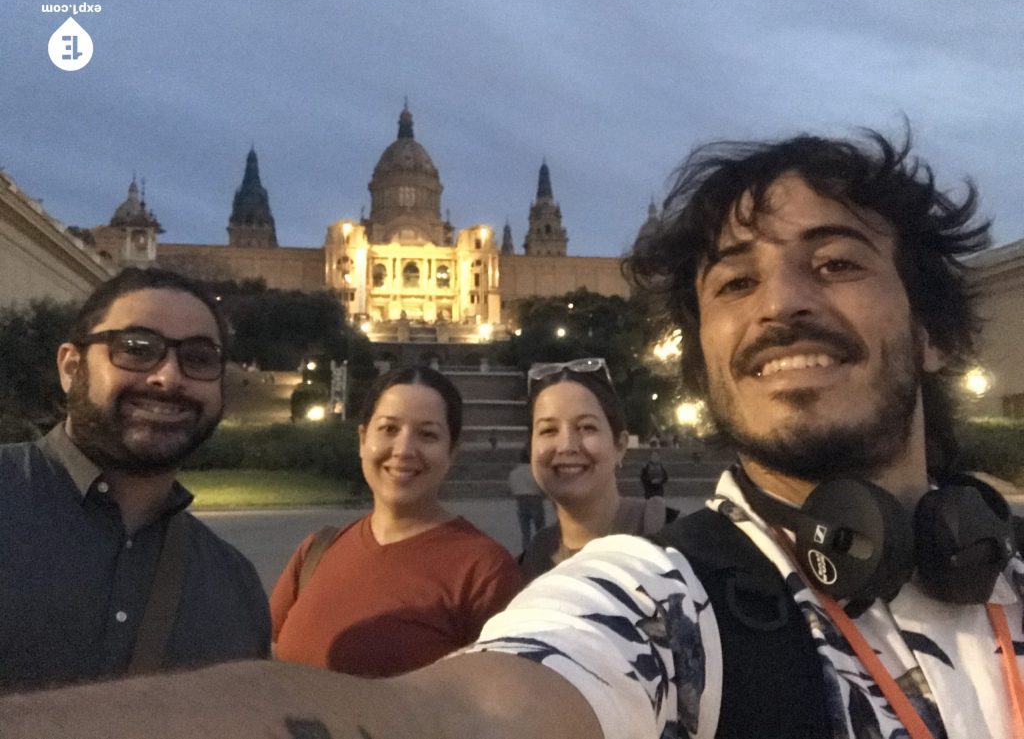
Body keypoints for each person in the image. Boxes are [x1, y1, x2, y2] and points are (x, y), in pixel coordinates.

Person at [2, 130, 1017, 739]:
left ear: (935, 329)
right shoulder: (650, 605)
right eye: (736, 280)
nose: (782, 303)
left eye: (835, 262)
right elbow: (473, 712)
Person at [0, 267, 269, 692]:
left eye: (199, 358)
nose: (169, 377)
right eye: (137, 349)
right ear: (71, 367)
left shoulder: (235, 586)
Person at [269, 366, 524, 677]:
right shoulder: (316, 552)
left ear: (452, 452)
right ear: (362, 439)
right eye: (389, 429)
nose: (403, 450)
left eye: (427, 435)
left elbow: (499, 692)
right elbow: (266, 663)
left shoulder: (484, 572)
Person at [519, 359, 677, 580]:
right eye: (548, 430)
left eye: (587, 427)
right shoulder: (529, 565)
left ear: (620, 445)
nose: (567, 446)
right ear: (530, 448)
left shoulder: (678, 546)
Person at [506, 446, 546, 553]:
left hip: (521, 500)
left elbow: (511, 487)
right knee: (540, 529)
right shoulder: (536, 471)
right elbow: (542, 485)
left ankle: (526, 551)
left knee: (525, 531)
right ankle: (541, 549)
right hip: (535, 499)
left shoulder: (514, 472)